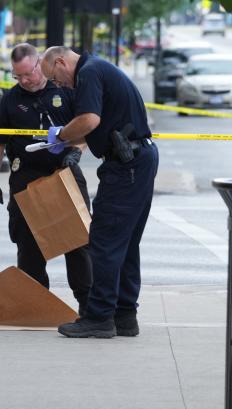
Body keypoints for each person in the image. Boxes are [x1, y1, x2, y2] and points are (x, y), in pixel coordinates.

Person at [40, 46, 159, 339]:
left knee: (105, 241)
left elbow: (89, 120)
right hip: (138, 158)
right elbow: (98, 124)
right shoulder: (99, 68)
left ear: (60, 61)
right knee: (126, 242)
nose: (59, 85)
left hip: (125, 165)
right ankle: (125, 315)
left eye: (54, 78)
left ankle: (99, 317)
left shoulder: (89, 73)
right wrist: (71, 139)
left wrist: (61, 135)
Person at [0, 43, 93, 315]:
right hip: (26, 176)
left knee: (78, 242)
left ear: (39, 65)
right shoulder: (11, 99)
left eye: (28, 74)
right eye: (17, 76)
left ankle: (89, 304)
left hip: (63, 171)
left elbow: (86, 129)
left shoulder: (65, 89)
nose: (24, 80)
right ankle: (35, 303)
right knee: (28, 243)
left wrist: (76, 153)